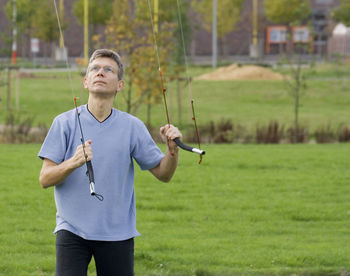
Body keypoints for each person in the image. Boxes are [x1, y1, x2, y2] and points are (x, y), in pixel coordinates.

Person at [38, 49, 182, 276]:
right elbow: (45, 179)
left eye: (108, 70)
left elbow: (164, 174)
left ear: (120, 85)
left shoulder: (132, 126)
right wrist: (72, 162)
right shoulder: (63, 123)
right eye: (94, 69)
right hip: (71, 231)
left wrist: (172, 151)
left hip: (118, 233)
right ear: (86, 82)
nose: (100, 73)